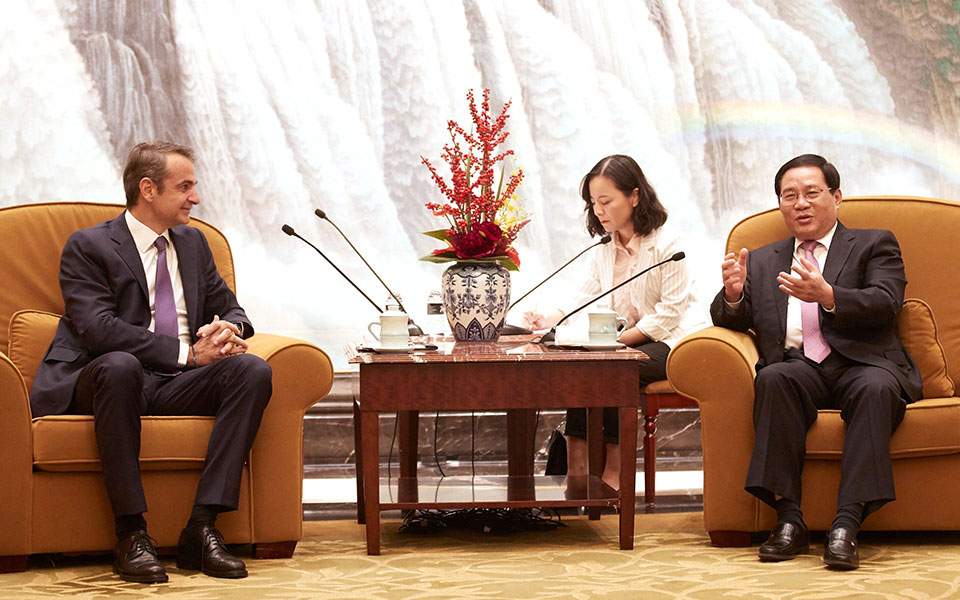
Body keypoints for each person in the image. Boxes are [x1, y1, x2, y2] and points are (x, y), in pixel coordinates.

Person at [30, 141, 273, 583]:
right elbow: (97, 328)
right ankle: (131, 534)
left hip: (177, 381)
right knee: (120, 365)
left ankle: (202, 528)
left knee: (252, 370)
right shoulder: (89, 246)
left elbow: (230, 307)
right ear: (148, 189)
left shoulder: (194, 243)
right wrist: (187, 353)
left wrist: (228, 329)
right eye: (184, 187)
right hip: (107, 378)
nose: (195, 197)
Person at [711, 154, 921, 570]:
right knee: (773, 378)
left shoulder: (874, 243)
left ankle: (846, 525)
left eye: (811, 193)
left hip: (862, 363)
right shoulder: (764, 259)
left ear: (836, 197)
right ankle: (788, 520)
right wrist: (733, 295)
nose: (800, 203)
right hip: (799, 365)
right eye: (789, 196)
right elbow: (731, 319)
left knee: (875, 388)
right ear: (780, 204)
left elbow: (886, 301)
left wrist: (828, 296)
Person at [524, 154, 699, 490]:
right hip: (622, 341)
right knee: (588, 365)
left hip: (672, 341)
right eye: (593, 203)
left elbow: (669, 315)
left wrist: (615, 344)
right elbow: (585, 298)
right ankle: (578, 466)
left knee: (615, 368)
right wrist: (551, 319)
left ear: (634, 196)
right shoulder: (605, 246)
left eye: (606, 201)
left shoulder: (669, 246)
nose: (599, 211)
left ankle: (615, 472)